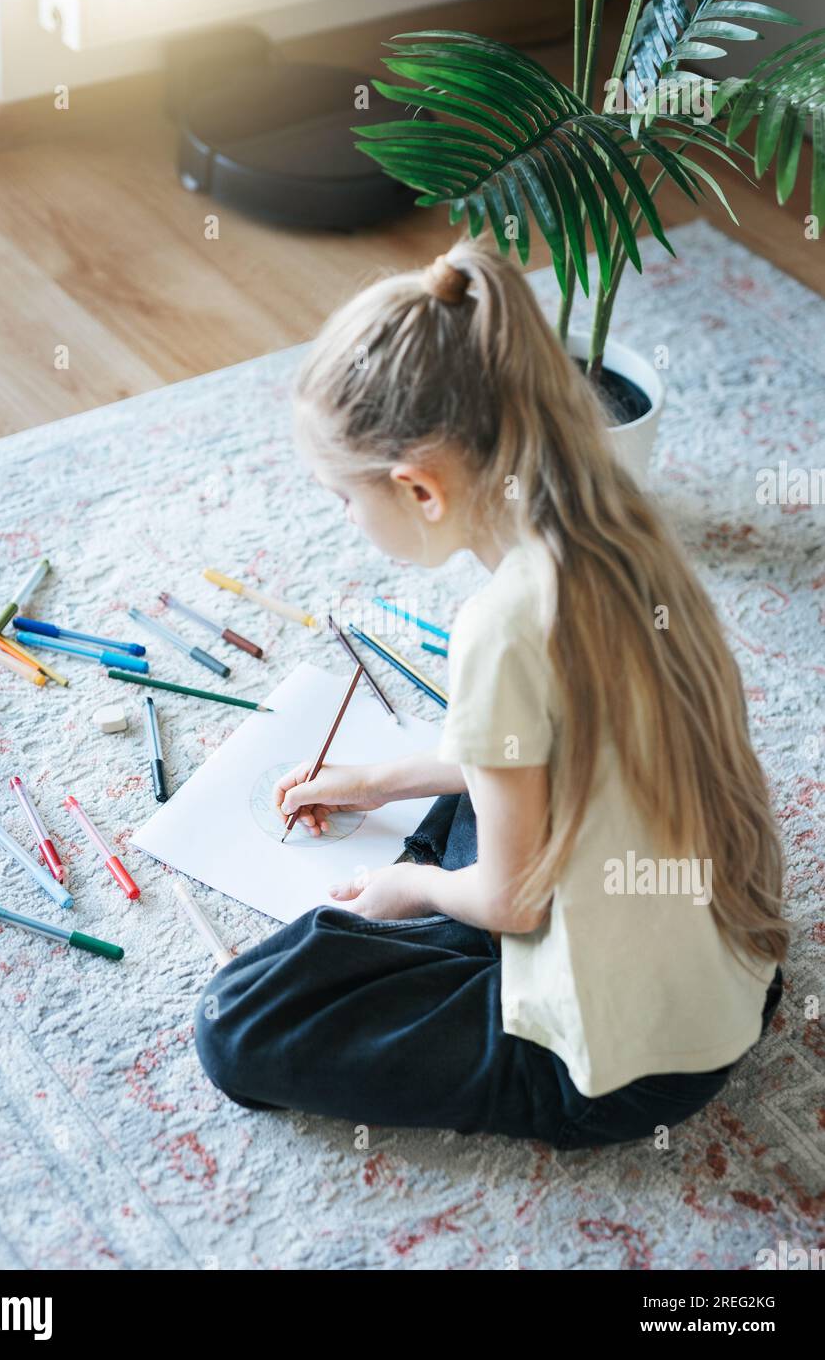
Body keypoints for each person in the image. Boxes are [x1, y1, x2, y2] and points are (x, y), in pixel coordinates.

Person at [195, 240, 787, 1149]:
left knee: (237, 1024)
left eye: (342, 501)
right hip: (723, 970)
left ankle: (444, 932)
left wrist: (410, 885)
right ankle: (442, 906)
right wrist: (383, 781)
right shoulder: (616, 523)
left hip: (617, 1068)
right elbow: (550, 752)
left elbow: (514, 904)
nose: (346, 523)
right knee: (456, 800)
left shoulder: (503, 625)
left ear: (419, 487)